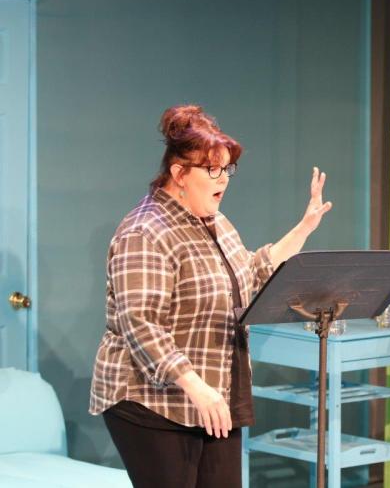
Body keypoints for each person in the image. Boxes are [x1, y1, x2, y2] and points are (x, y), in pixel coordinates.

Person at [89, 104, 332, 488]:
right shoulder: (146, 231)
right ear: (179, 173)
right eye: (213, 169)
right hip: (155, 402)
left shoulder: (214, 221)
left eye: (227, 169)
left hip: (215, 393)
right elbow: (140, 322)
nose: (224, 179)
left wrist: (303, 229)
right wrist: (195, 387)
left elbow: (249, 275)